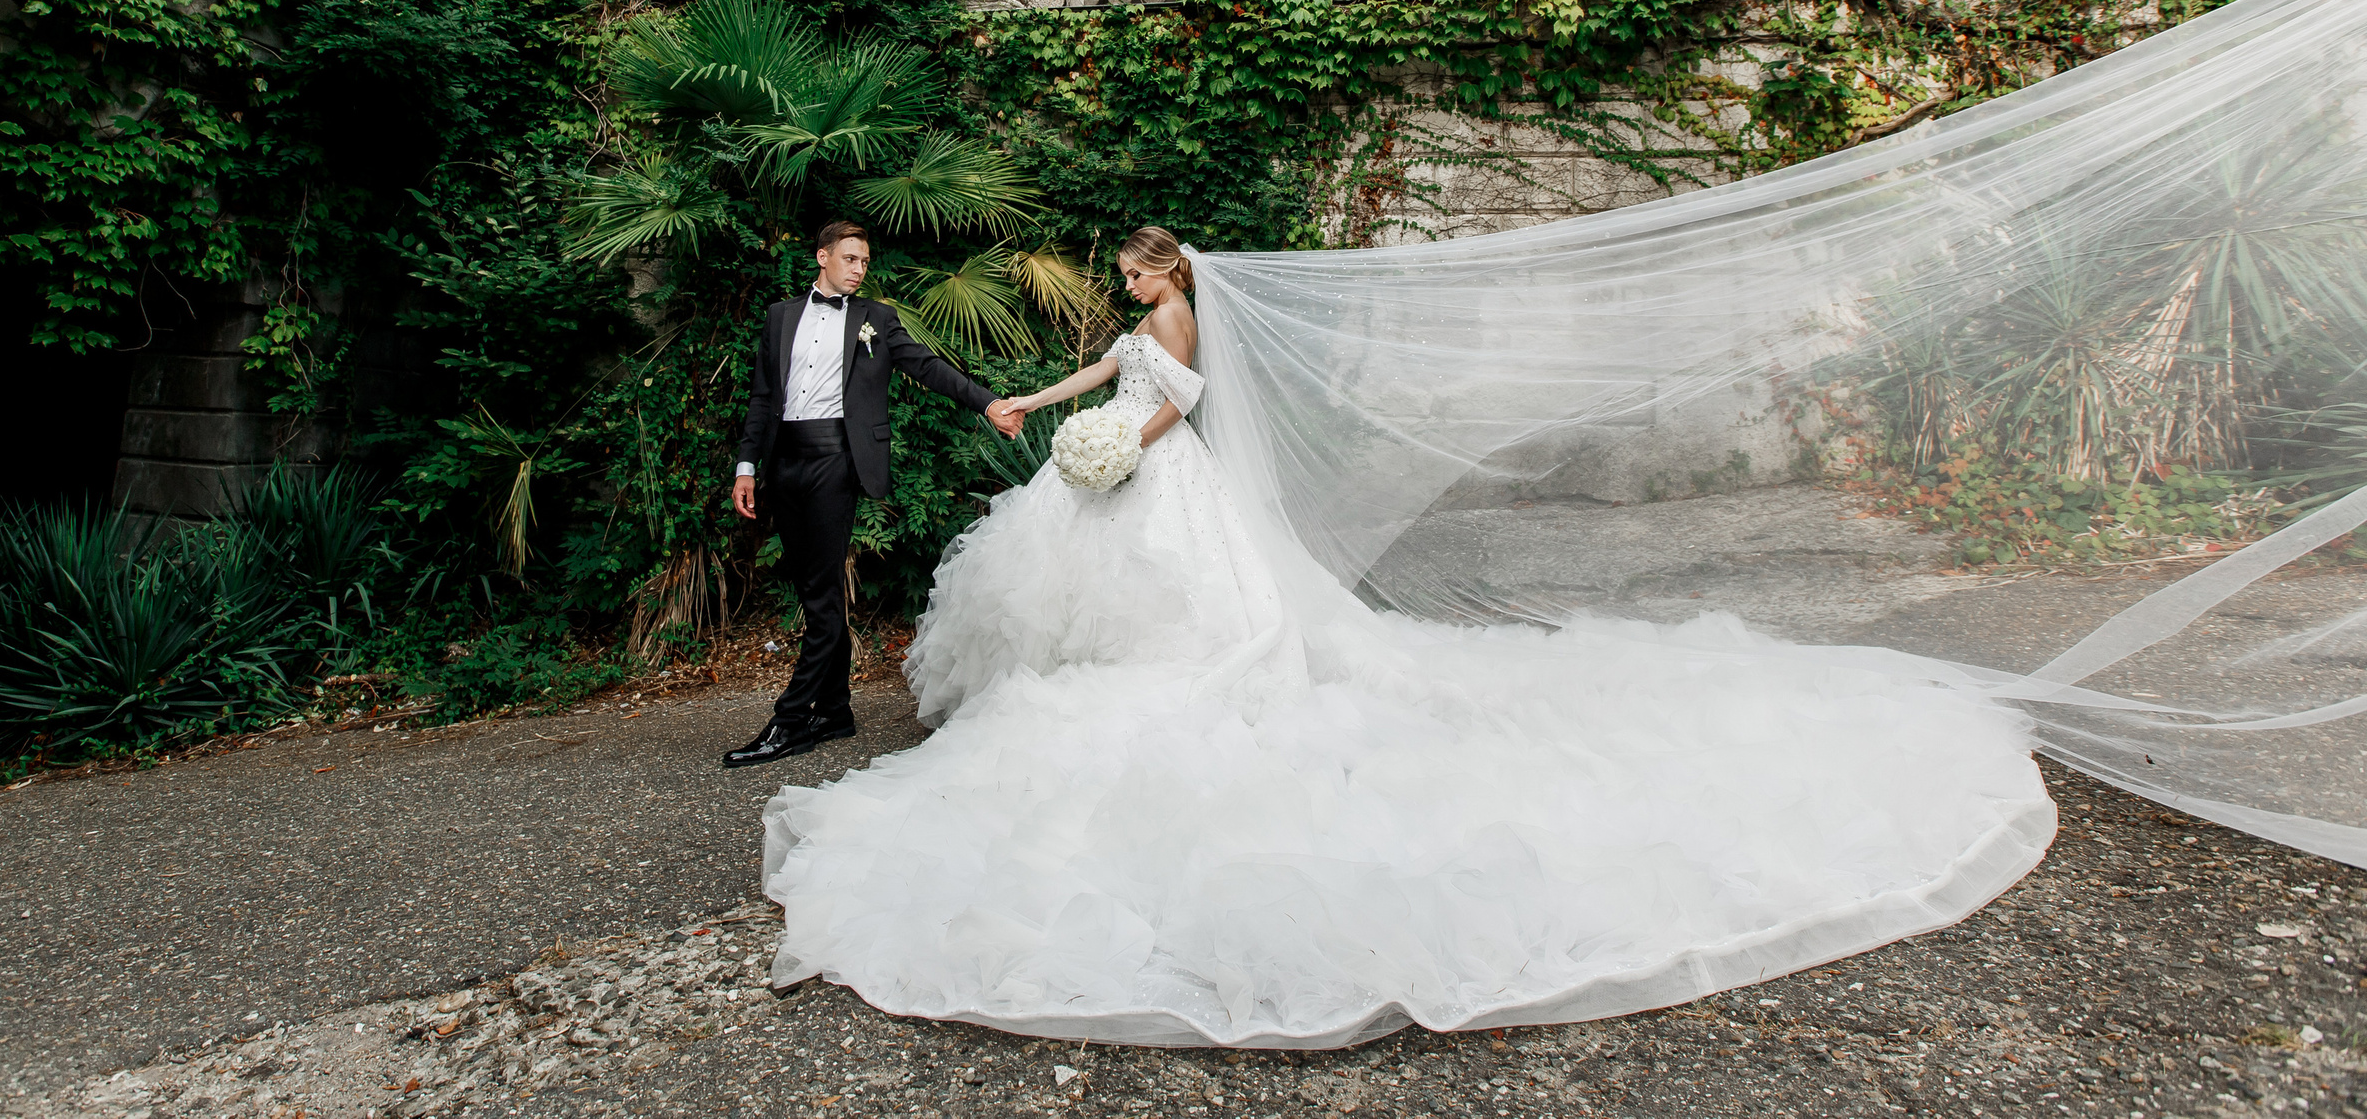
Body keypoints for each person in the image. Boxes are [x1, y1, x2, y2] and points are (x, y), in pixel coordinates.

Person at [759, 225, 2051, 1048]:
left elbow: (1173, 401)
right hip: (1108, 464)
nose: (1129, 286)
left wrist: (1120, 448)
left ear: (1166, 276)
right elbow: (1103, 374)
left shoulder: (1180, 321)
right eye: (1131, 278)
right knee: (1089, 594)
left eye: (1137, 274)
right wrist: (1035, 403)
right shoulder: (1129, 326)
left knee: (1197, 607)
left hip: (1158, 478)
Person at [724, 219, 1025, 770]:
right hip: (782, 462)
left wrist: (987, 403)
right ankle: (834, 711)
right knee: (814, 589)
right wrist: (747, 466)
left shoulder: (875, 319)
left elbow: (928, 368)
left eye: (865, 261)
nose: (860, 269)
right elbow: (762, 396)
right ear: (822, 257)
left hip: (837, 460)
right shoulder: (780, 316)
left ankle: (790, 721)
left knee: (821, 594)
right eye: (850, 259)